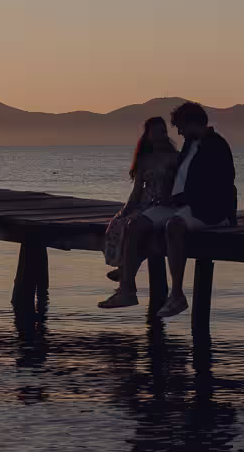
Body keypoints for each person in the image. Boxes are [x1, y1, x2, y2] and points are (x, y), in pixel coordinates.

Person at [99, 100, 236, 317]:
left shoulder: (216, 146)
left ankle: (177, 296)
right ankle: (127, 290)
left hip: (210, 209)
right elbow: (181, 179)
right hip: (181, 205)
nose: (178, 132)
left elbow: (221, 183)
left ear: (192, 123)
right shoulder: (191, 145)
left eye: (180, 126)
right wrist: (170, 197)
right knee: (136, 224)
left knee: (174, 226)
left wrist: (183, 199)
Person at [103, 117, 179, 280]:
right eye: (156, 132)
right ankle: (123, 265)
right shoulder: (144, 159)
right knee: (120, 222)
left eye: (163, 132)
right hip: (145, 202)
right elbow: (137, 190)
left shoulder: (175, 157)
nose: (160, 135)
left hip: (165, 204)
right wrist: (125, 210)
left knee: (138, 228)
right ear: (148, 135)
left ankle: (127, 271)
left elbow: (181, 185)